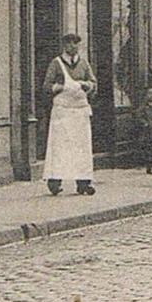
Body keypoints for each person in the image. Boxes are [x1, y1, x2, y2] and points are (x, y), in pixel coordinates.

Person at [43, 33, 97, 195]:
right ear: (64, 46)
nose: (73, 46)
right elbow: (46, 86)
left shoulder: (84, 63)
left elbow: (93, 82)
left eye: (76, 44)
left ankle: (83, 183)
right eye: (70, 43)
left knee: (81, 147)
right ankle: (55, 182)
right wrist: (59, 87)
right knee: (60, 146)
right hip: (62, 111)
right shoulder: (56, 63)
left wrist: (86, 85)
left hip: (80, 110)